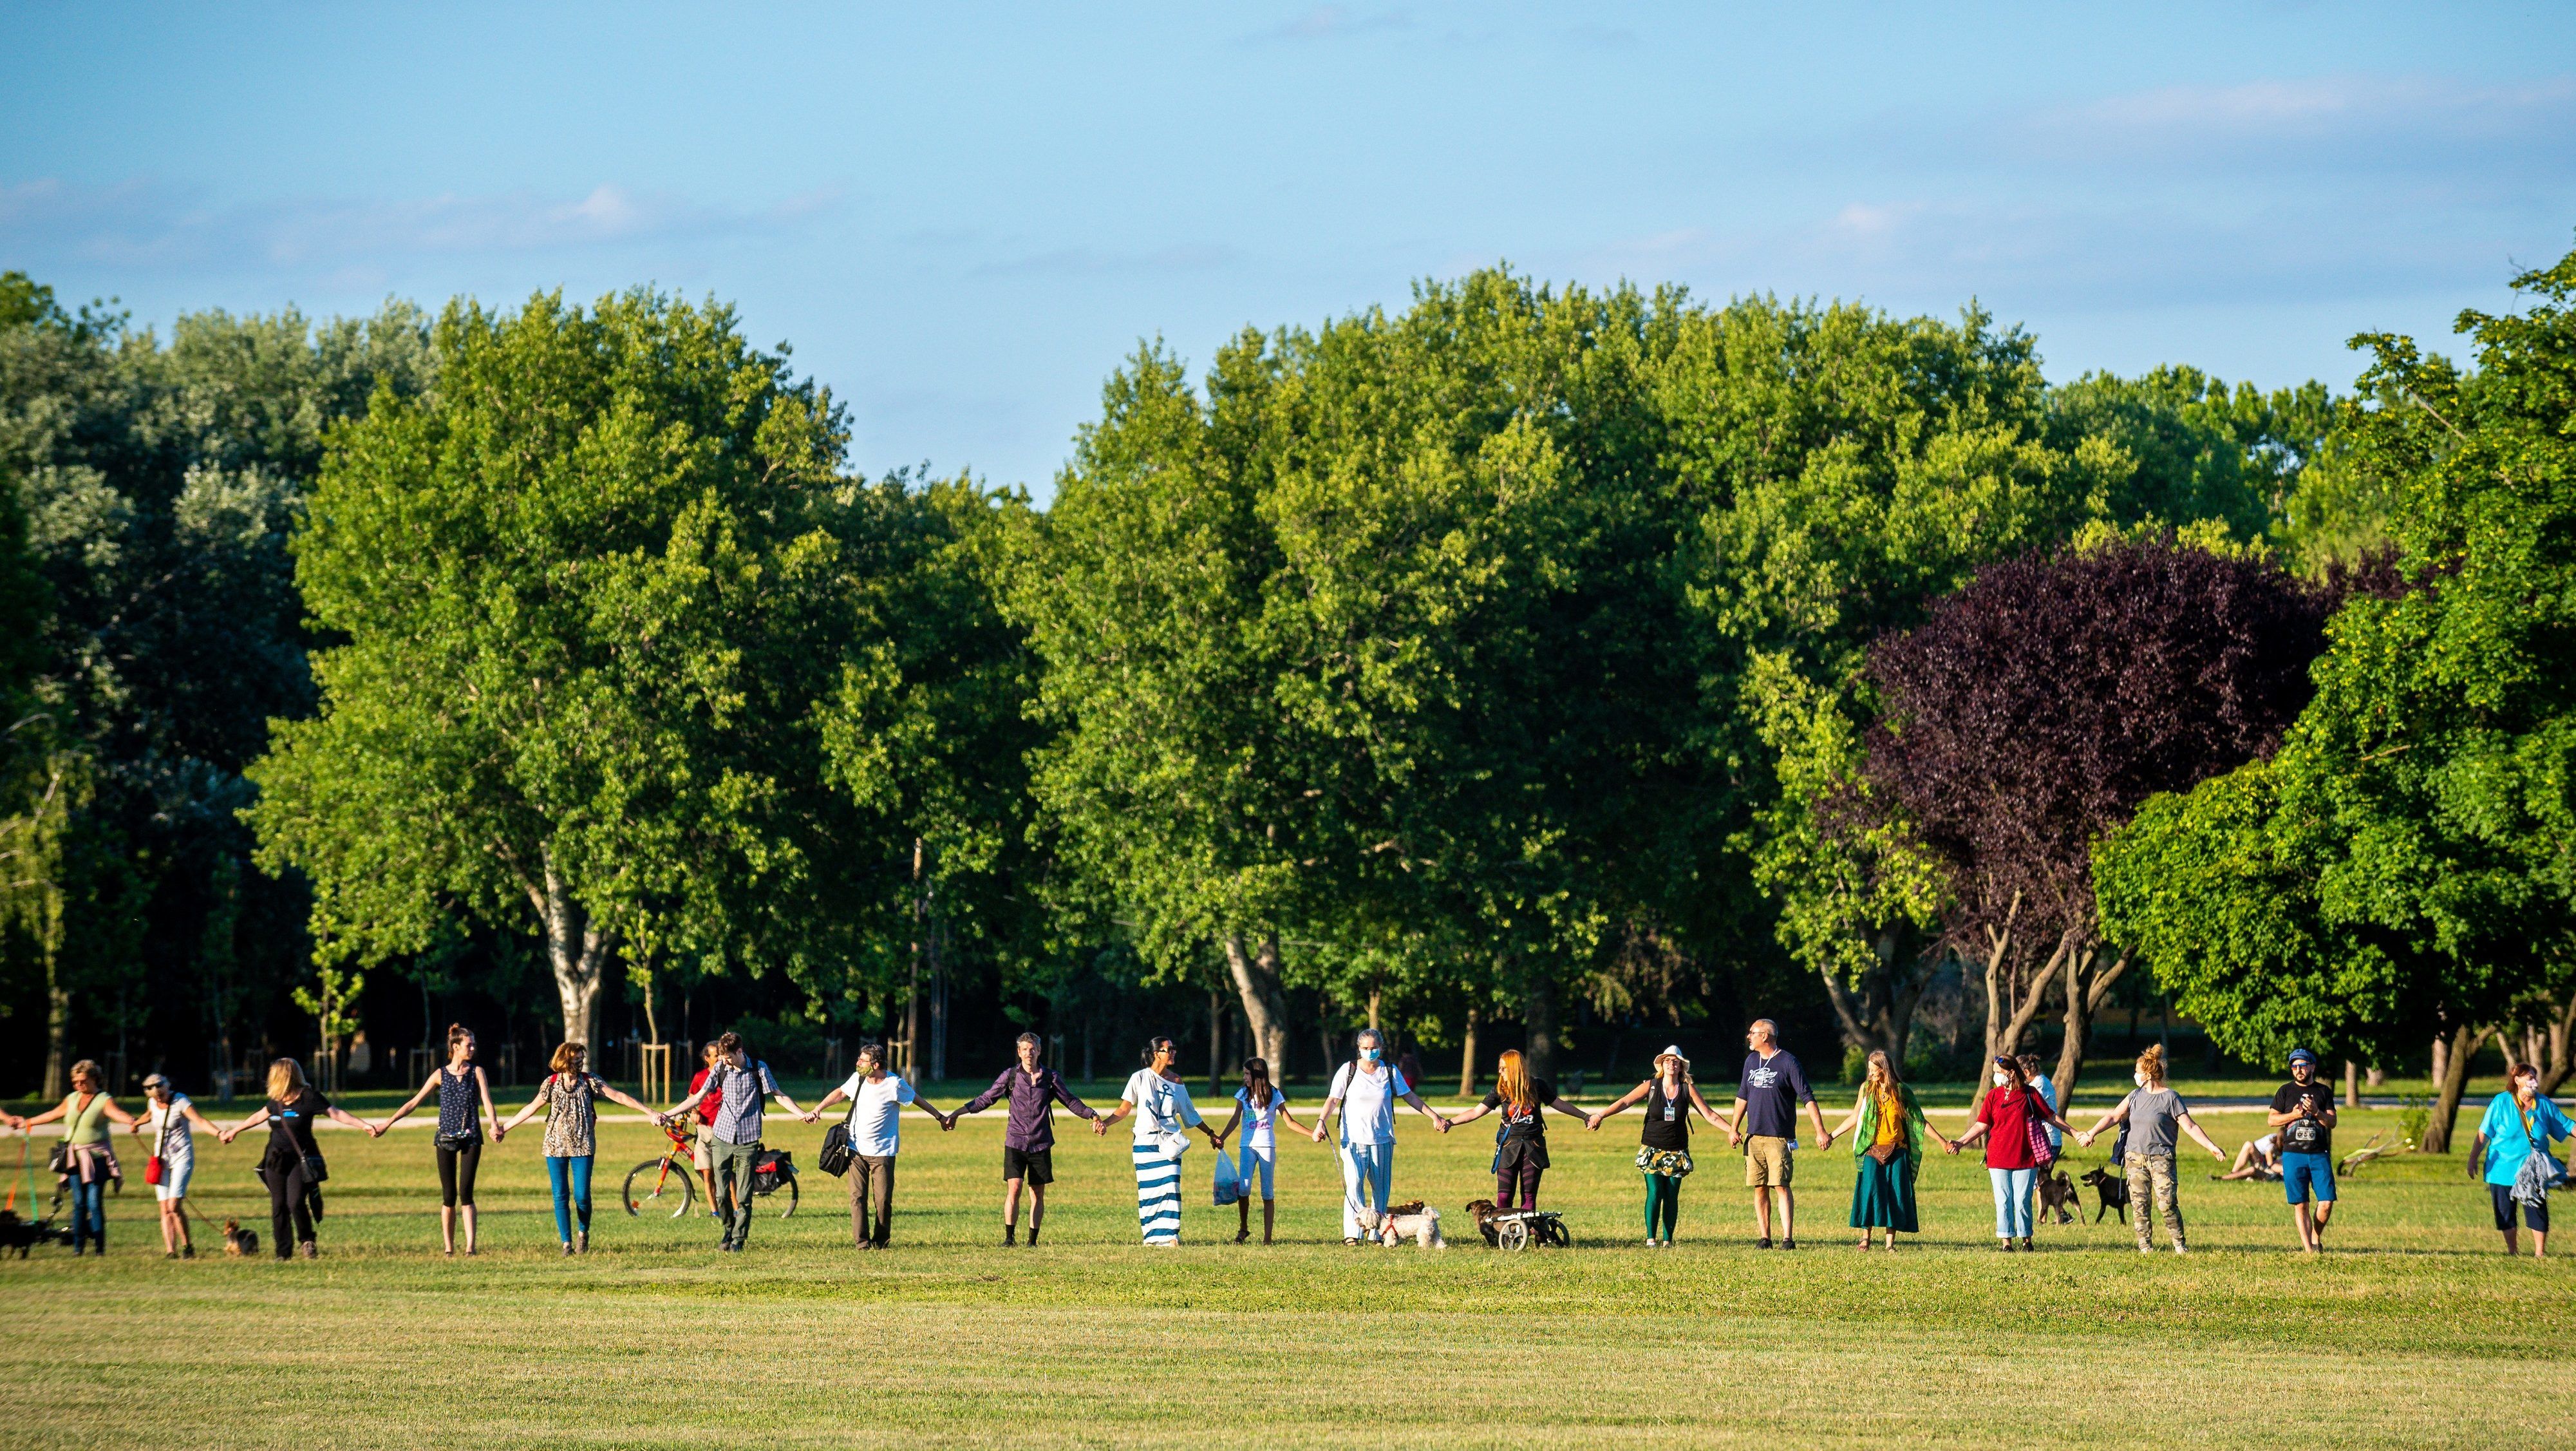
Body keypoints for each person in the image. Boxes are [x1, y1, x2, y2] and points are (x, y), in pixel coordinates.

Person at [498, 1041, 661, 1255]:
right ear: (564, 1059)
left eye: (582, 1059)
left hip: (583, 1145)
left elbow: (619, 1096)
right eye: (576, 1059)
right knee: (560, 1194)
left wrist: (649, 1112)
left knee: (582, 1195)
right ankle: (567, 1243)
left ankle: (583, 1233)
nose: (580, 1062)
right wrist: (505, 1128)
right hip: (555, 1146)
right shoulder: (551, 1083)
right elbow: (532, 1107)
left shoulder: (590, 1081)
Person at [2071, 1044, 2226, 1254]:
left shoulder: (2171, 1098)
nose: (2134, 1075)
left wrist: (2211, 1147)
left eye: (2137, 1072)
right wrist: (2092, 1133)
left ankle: (2179, 1244)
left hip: (2162, 1158)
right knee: (2139, 1205)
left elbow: (2190, 1126)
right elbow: (2113, 1116)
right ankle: (2145, 1246)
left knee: (2167, 1204)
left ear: (2147, 1074)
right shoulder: (2135, 1096)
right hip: (2135, 1158)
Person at [217, 1058, 375, 1260]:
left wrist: (364, 1125)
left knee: (295, 1202)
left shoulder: (309, 1097)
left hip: (301, 1159)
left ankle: (307, 1240)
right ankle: (283, 1252)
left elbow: (336, 1114)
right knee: (278, 1205)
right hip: (276, 1158)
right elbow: (259, 1116)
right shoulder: (276, 1100)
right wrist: (235, 1131)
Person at [950, 1031, 1098, 1246]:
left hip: (1041, 1142)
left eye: (1033, 1049)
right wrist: (957, 1113)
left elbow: (1071, 1101)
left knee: (1037, 1192)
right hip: (1015, 1141)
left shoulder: (1050, 1078)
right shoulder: (1010, 1076)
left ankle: (1032, 1241)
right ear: (1019, 1052)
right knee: (1015, 1187)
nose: (1029, 1053)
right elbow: (986, 1098)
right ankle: (1009, 1239)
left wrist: (1092, 1115)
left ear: (1039, 1051)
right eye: (1025, 1049)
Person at [666, 1032, 807, 1252]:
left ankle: (739, 1239)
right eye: (721, 1057)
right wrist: (668, 1113)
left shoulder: (758, 1068)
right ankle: (728, 1230)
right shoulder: (721, 1068)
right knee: (722, 1194)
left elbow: (778, 1095)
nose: (724, 1061)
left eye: (728, 1057)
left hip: (748, 1139)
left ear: (739, 1052)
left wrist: (801, 1113)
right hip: (722, 1137)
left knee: (743, 1195)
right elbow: (697, 1097)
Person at [1310, 1027, 1448, 1245]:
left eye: (1374, 1048)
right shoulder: (1349, 1070)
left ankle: (1378, 1233)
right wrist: (1320, 1123)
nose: (1370, 1052)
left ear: (1381, 1048)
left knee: (1381, 1189)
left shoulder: (1390, 1072)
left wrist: (1435, 1117)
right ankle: (1353, 1234)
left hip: (1382, 1139)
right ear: (1359, 1049)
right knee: (1355, 1184)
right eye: (1365, 1048)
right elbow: (1333, 1100)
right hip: (1353, 1140)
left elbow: (1409, 1096)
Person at [376, 1023, 505, 1255]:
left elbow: (487, 1101)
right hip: (445, 1138)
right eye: (469, 1044)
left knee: (466, 1192)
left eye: (474, 1043)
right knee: (448, 1195)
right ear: (456, 1047)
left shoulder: (476, 1072)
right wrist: (388, 1122)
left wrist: (494, 1125)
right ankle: (448, 1248)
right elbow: (413, 1103)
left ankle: (470, 1247)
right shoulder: (440, 1075)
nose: (473, 1047)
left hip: (471, 1137)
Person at [807, 1041, 950, 1249]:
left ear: (875, 1065)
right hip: (855, 1149)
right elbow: (840, 1092)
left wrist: (939, 1116)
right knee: (857, 1197)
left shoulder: (894, 1084)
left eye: (862, 1060)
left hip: (883, 1152)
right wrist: (819, 1108)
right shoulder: (858, 1079)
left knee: (883, 1201)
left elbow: (916, 1099)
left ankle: (881, 1240)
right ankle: (862, 1243)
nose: (858, 1063)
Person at [1586, 1045, 1727, 1246]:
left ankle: (1667, 1240)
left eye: (1676, 1061)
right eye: (1668, 1060)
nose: (1672, 1064)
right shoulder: (1651, 1086)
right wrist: (1601, 1115)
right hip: (1652, 1149)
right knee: (1654, 1193)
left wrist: (1731, 1131)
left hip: (1677, 1150)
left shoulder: (1688, 1089)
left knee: (1671, 1196)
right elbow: (1626, 1101)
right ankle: (1651, 1238)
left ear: (1681, 1067)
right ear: (1662, 1065)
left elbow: (1710, 1115)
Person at [1096, 1036, 1223, 1245]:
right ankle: (1152, 1237)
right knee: (1149, 1191)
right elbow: (1124, 1109)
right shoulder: (1139, 1078)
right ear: (1157, 1054)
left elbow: (1190, 1114)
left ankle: (1171, 1236)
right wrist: (1105, 1124)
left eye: (1174, 1049)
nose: (1173, 1052)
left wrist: (1210, 1133)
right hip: (1145, 1143)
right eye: (1168, 1049)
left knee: (1171, 1185)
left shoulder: (1176, 1082)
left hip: (1169, 1143)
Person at [5, 1059, 136, 1255]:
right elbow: (52, 1114)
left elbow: (116, 1113)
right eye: (75, 1082)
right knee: (79, 1203)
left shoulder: (103, 1099)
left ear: (94, 1079)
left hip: (96, 1158)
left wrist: (131, 1121)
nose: (79, 1085)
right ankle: (78, 1248)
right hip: (73, 1158)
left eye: (83, 1081)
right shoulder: (72, 1098)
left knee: (94, 1202)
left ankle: (99, 1248)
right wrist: (26, 1122)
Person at [1827, 1050, 1955, 1250]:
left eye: (1873, 1070)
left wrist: (1942, 1142)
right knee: (1869, 1191)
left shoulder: (1902, 1091)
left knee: (1895, 1194)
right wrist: (1831, 1136)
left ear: (1884, 1069)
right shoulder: (1867, 1089)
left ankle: (1889, 1244)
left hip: (1898, 1150)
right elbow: (1854, 1118)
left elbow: (1919, 1121)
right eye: (1869, 1070)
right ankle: (1865, 1239)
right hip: (1872, 1149)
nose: (1870, 1074)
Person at [1950, 1054, 2080, 1251]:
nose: (1996, 1077)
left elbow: (2051, 1117)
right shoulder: (1994, 1096)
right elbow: (1981, 1125)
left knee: (2022, 1201)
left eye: (1998, 1073)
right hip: (1998, 1158)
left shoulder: (2030, 1094)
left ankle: (2027, 1240)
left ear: (2011, 1073)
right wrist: (1960, 1142)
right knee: (2003, 1201)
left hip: (2026, 1159)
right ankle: (2006, 1243)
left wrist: (2075, 1133)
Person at [1726, 1019, 1830, 1249]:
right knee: (1759, 1186)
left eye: (1752, 1033)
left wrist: (1820, 1130)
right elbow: (1742, 1096)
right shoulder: (1751, 1061)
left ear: (1765, 1036)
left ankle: (1787, 1238)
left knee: (1781, 1185)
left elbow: (1807, 1098)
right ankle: (1765, 1238)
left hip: (1779, 1136)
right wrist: (1734, 1128)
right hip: (1754, 1136)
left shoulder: (1788, 1062)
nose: (1749, 1037)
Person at [1444, 1048, 1586, 1216]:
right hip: (1509, 1146)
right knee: (1504, 1196)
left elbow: (1560, 1104)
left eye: (1503, 1068)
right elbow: (1476, 1112)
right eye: (1499, 1068)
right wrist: (1450, 1122)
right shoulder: (1500, 1089)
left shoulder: (1537, 1086)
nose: (1500, 1071)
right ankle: (1504, 1232)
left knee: (1529, 1197)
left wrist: (1585, 1116)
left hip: (1533, 1146)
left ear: (1515, 1068)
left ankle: (1524, 1232)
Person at [2468, 1062, 2573, 1258]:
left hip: (2532, 1170)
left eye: (2535, 1077)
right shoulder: (2501, 1102)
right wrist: (2473, 1158)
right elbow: (2484, 1133)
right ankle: (2512, 1252)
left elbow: (2567, 1125)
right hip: (2501, 1168)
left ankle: (2540, 1253)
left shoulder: (2543, 1104)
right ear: (2517, 1080)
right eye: (2529, 1077)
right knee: (2505, 1214)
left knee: (2537, 1210)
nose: (2534, 1081)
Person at [1211, 1056, 1307, 1244]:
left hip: (1267, 1146)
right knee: (1244, 1188)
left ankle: (1267, 1238)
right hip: (1247, 1146)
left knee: (1267, 1193)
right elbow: (1235, 1119)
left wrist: (1312, 1133)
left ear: (1257, 1075)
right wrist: (1221, 1138)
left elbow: (1289, 1122)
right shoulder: (1242, 1094)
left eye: (1247, 1074)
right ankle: (1243, 1229)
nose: (1244, 1077)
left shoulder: (1274, 1095)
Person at [132, 1073, 221, 1259]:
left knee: (174, 1205)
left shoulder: (180, 1101)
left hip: (182, 1157)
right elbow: (150, 1115)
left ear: (167, 1088)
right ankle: (171, 1251)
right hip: (161, 1160)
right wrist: (137, 1123)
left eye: (161, 1095)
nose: (159, 1099)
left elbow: (200, 1121)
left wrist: (219, 1134)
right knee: (164, 1208)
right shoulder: (152, 1103)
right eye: (155, 1096)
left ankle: (187, 1246)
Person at [2267, 1047, 2339, 1253]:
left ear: (2312, 1066)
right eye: (2294, 1066)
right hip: (2293, 1154)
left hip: (2319, 1154)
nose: (2298, 1069)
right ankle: (2309, 1249)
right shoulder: (2285, 1091)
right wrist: (2295, 1115)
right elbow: (2272, 1120)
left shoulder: (2323, 1092)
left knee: (2326, 1202)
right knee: (2301, 1204)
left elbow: (2332, 1122)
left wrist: (2317, 1112)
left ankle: (2316, 1236)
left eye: (2303, 1065)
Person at [684, 1042, 723, 1211]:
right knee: (707, 1173)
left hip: (723, 1129)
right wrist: (694, 1111)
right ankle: (714, 1211)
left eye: (720, 1054)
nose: (719, 1058)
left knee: (725, 1173)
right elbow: (691, 1098)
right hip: (705, 1128)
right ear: (707, 1059)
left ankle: (736, 1208)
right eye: (716, 1055)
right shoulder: (700, 1077)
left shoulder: (727, 1075)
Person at [2215, 1131, 2282, 1182]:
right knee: (2248, 1145)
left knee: (2252, 1169)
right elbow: (2270, 1165)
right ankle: (2230, 1175)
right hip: (2262, 1162)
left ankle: (2226, 1177)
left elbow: (2272, 1165)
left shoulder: (2276, 1140)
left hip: (2268, 1168)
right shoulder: (2270, 1145)